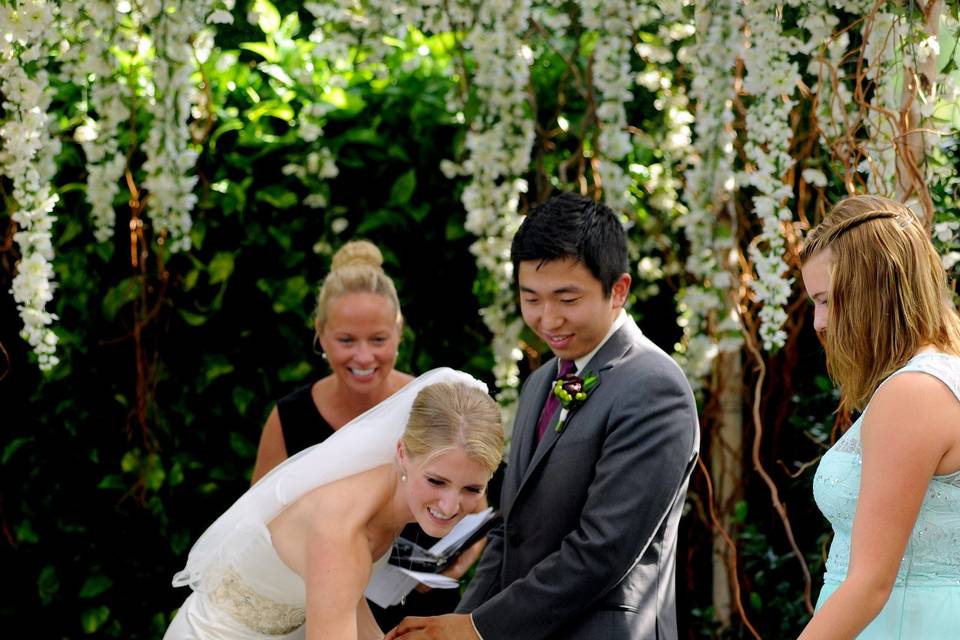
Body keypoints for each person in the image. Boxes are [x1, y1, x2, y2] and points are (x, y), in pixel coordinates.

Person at [387, 192, 700, 639]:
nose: (547, 319)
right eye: (530, 298)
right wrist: (459, 626)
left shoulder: (653, 388)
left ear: (619, 290)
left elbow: (601, 552)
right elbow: (510, 532)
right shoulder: (540, 382)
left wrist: (476, 629)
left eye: (566, 299)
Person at [163, 369, 504, 640]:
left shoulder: (389, 495)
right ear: (402, 453)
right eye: (436, 481)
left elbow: (348, 599)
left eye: (471, 488)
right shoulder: (342, 532)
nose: (449, 505)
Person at [250, 239, 484, 628]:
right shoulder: (290, 418)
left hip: (421, 612)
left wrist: (454, 562)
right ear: (320, 334)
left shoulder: (433, 408)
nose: (363, 357)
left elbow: (476, 503)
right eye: (346, 341)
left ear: (399, 331)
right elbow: (257, 528)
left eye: (378, 340)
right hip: (318, 611)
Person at [797, 195, 960, 639]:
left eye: (828, 301)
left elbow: (869, 584)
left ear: (875, 290)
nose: (818, 322)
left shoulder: (914, 393)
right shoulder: (941, 374)